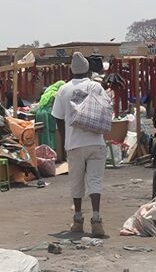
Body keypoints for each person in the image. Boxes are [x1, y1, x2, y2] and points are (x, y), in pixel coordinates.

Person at [52, 52, 110, 237]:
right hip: (96, 141)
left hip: (74, 144)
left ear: (71, 70)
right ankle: (96, 220)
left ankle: (78, 220)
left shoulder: (63, 89)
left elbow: (58, 118)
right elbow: (108, 109)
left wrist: (64, 141)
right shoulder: (96, 87)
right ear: (87, 69)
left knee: (76, 183)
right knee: (95, 181)